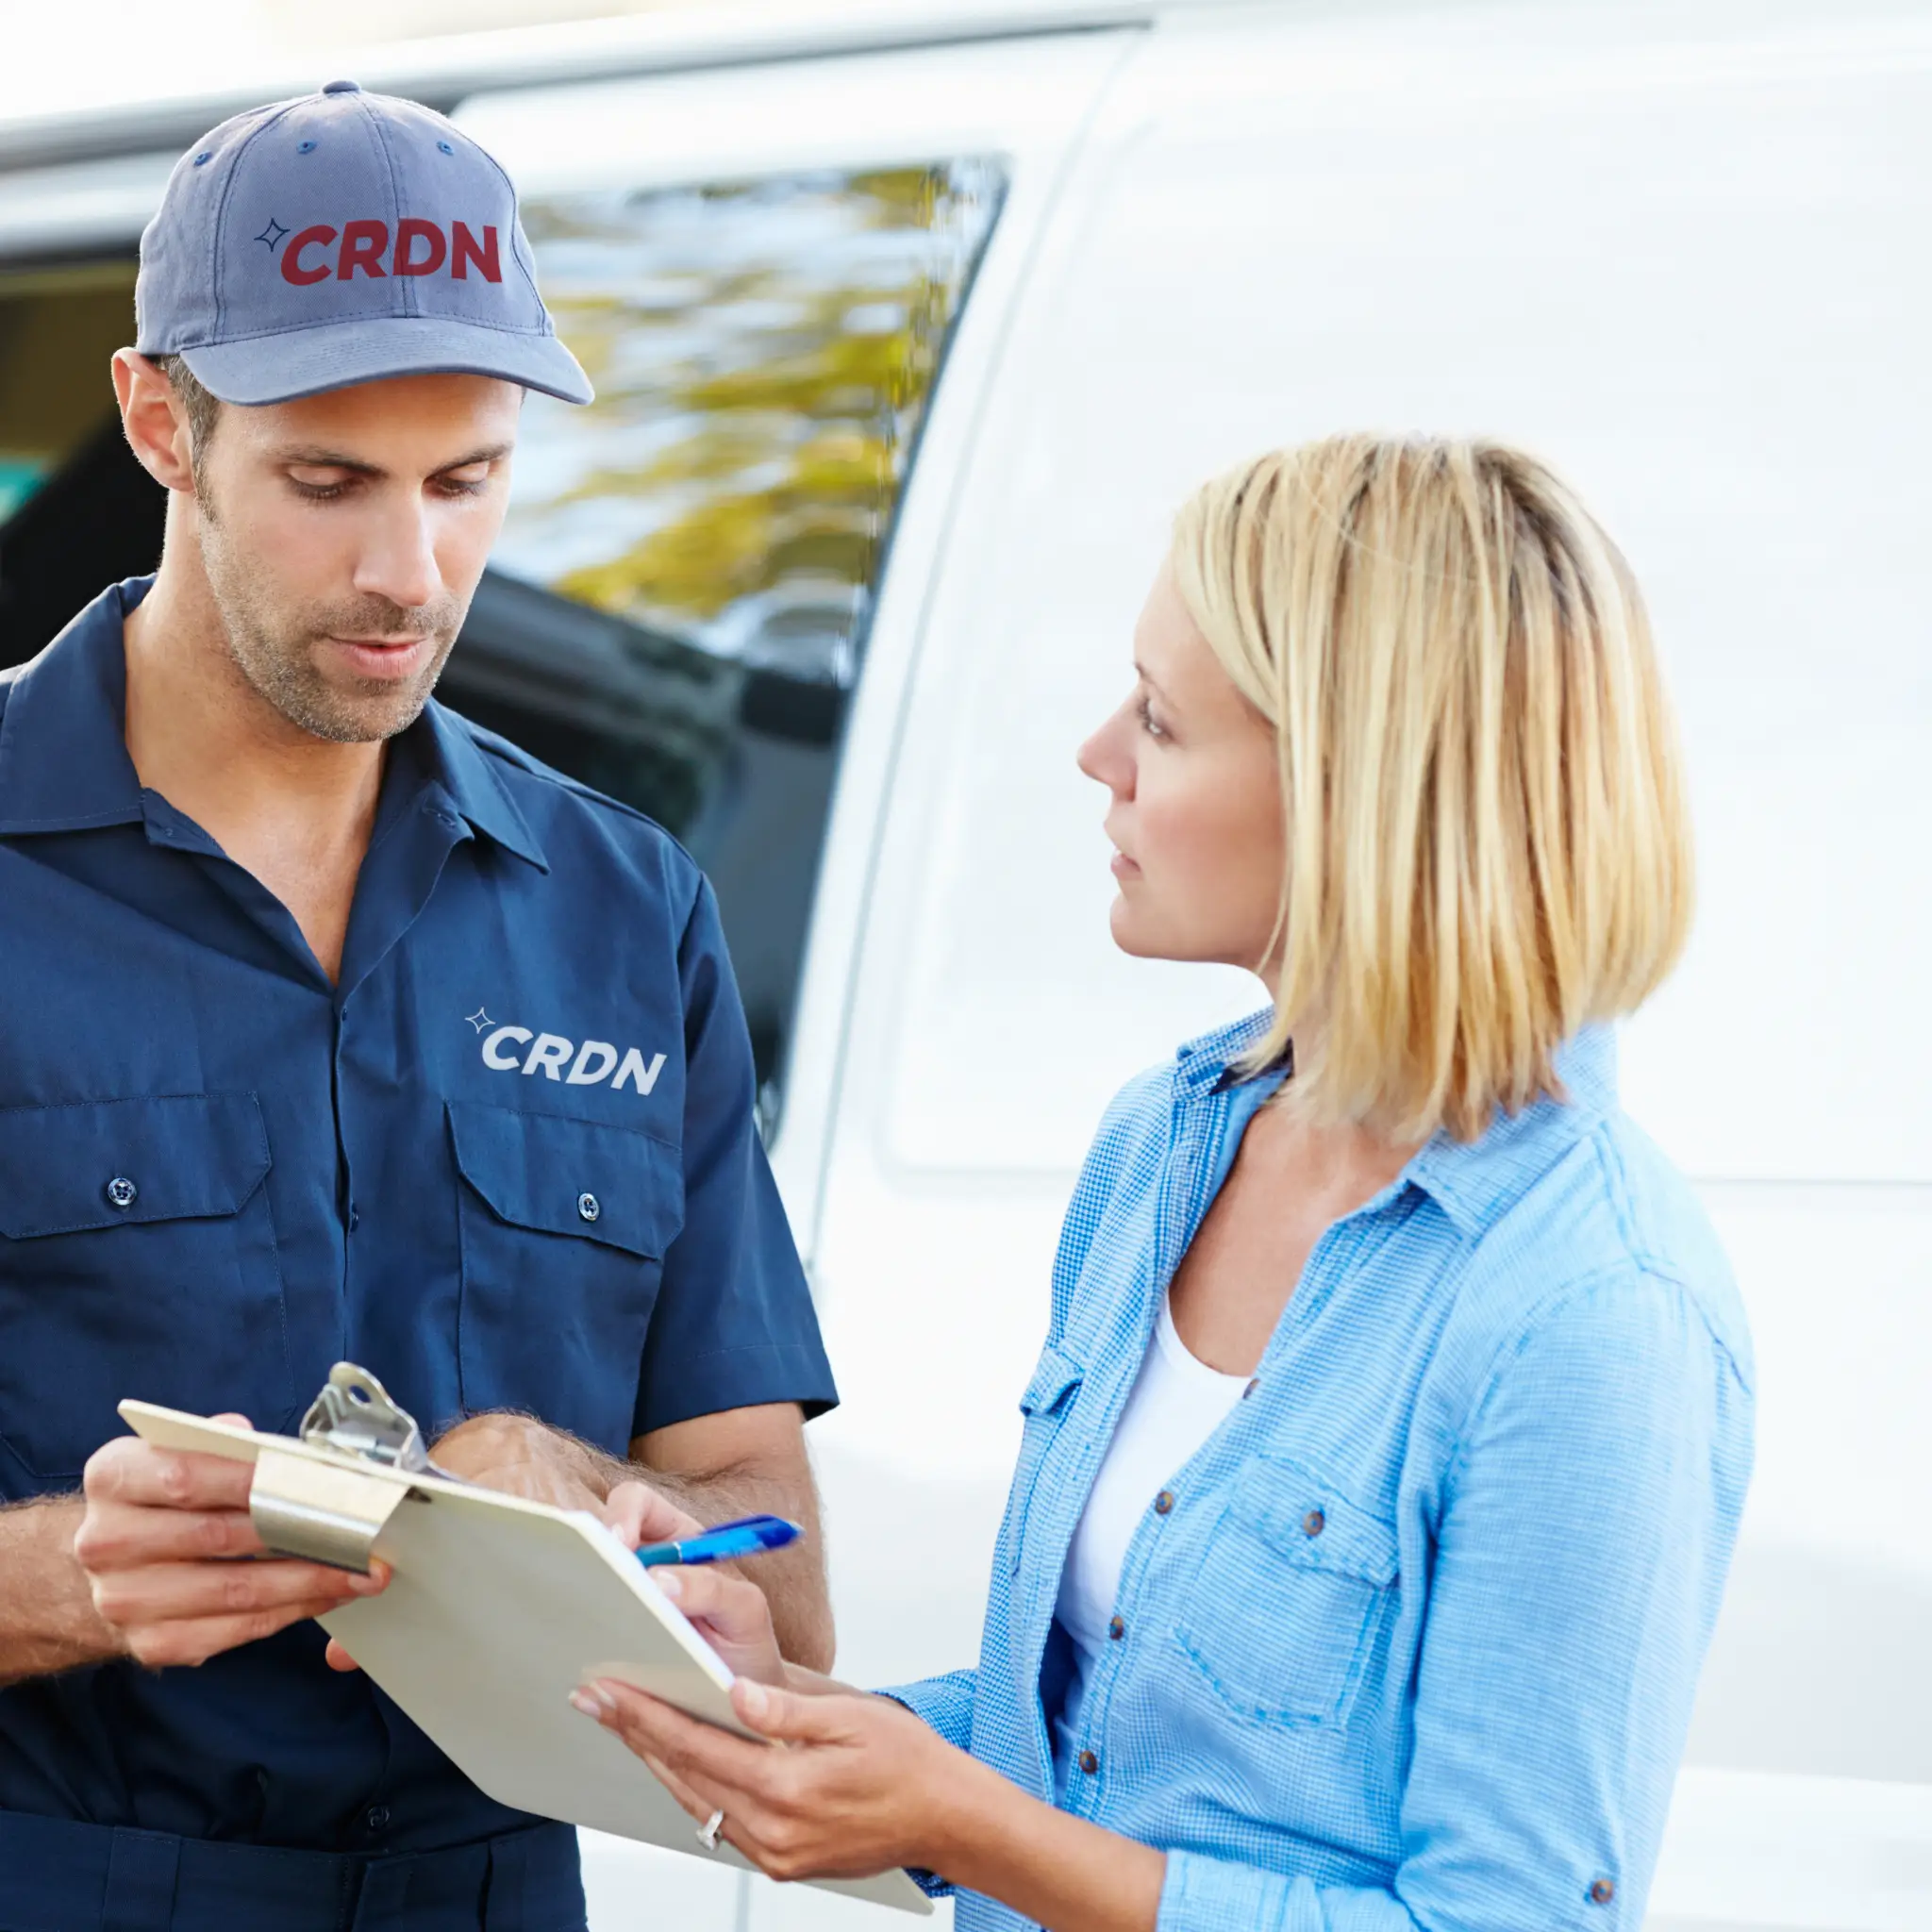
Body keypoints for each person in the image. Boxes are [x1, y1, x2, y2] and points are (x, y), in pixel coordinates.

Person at [574, 435, 1757, 1932]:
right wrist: (793, 1709)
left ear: (1354, 786)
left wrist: (968, 1826)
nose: (1097, 758)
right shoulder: (1169, 1143)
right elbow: (1089, 1753)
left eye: (1160, 718)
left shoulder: (1594, 1311)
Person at [0, 81, 837, 1932]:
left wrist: (592, 1508)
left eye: (466, 480)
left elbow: (770, 1572)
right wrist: (67, 1575)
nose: (413, 574)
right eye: (328, 483)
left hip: (491, 1893)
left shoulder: (624, 908)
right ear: (161, 421)